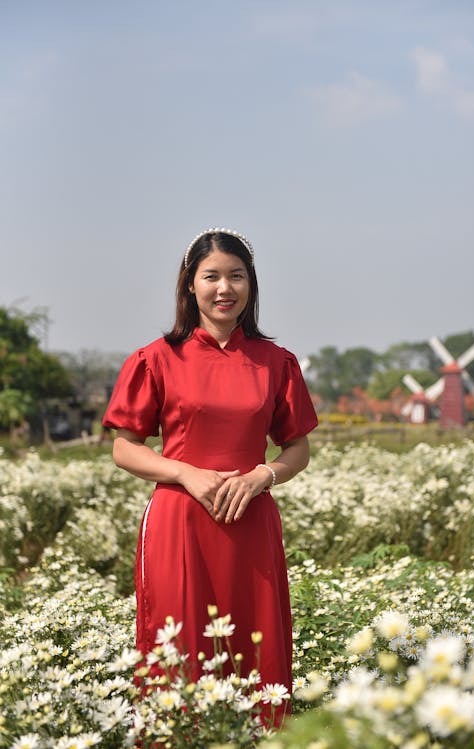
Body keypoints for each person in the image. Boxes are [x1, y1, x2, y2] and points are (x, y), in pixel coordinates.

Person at [102, 227, 318, 709]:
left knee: (256, 647)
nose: (225, 288)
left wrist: (263, 476)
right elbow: (125, 447)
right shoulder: (155, 359)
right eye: (212, 277)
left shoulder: (277, 363)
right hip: (179, 521)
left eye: (237, 276)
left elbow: (297, 449)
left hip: (252, 521)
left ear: (251, 285)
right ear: (189, 285)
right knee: (177, 654)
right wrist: (183, 472)